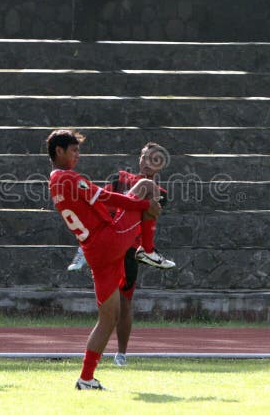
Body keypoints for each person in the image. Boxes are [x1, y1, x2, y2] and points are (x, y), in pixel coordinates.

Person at [47, 130, 161, 390]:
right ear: (58, 151)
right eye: (73, 150)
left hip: (93, 251)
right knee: (147, 187)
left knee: (109, 317)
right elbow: (106, 197)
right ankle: (148, 249)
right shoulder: (68, 177)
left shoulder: (54, 181)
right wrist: (144, 207)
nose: (77, 155)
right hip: (107, 240)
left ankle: (86, 378)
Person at [66, 142, 174, 367]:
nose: (147, 162)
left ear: (160, 165)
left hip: (129, 248)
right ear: (139, 159)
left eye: (154, 159)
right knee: (108, 304)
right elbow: (103, 201)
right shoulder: (119, 178)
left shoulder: (160, 193)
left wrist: (125, 203)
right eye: (144, 157)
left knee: (124, 302)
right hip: (108, 237)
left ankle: (121, 354)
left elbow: (144, 211)